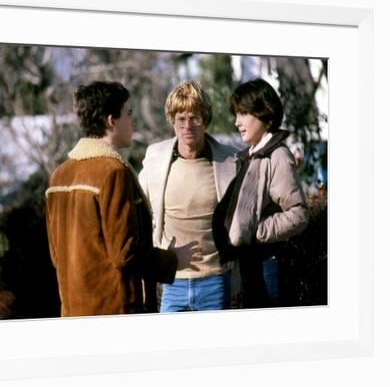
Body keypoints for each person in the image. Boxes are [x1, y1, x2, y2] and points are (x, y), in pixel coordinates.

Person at [45, 81, 196, 317]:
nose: (132, 122)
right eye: (128, 113)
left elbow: (56, 256)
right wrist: (172, 260)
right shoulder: (113, 172)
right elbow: (126, 253)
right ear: (111, 120)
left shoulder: (58, 176)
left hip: (73, 310)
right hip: (115, 310)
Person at [138, 81, 238, 312]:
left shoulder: (230, 160)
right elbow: (138, 208)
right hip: (172, 281)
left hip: (215, 279)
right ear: (172, 121)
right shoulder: (156, 158)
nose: (187, 126)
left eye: (195, 118)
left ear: (206, 119)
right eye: (181, 119)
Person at [213, 78, 309, 308]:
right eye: (236, 114)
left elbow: (298, 214)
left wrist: (255, 231)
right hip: (251, 264)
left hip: (267, 265)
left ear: (264, 113)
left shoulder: (277, 156)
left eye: (243, 113)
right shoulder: (253, 155)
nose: (237, 122)